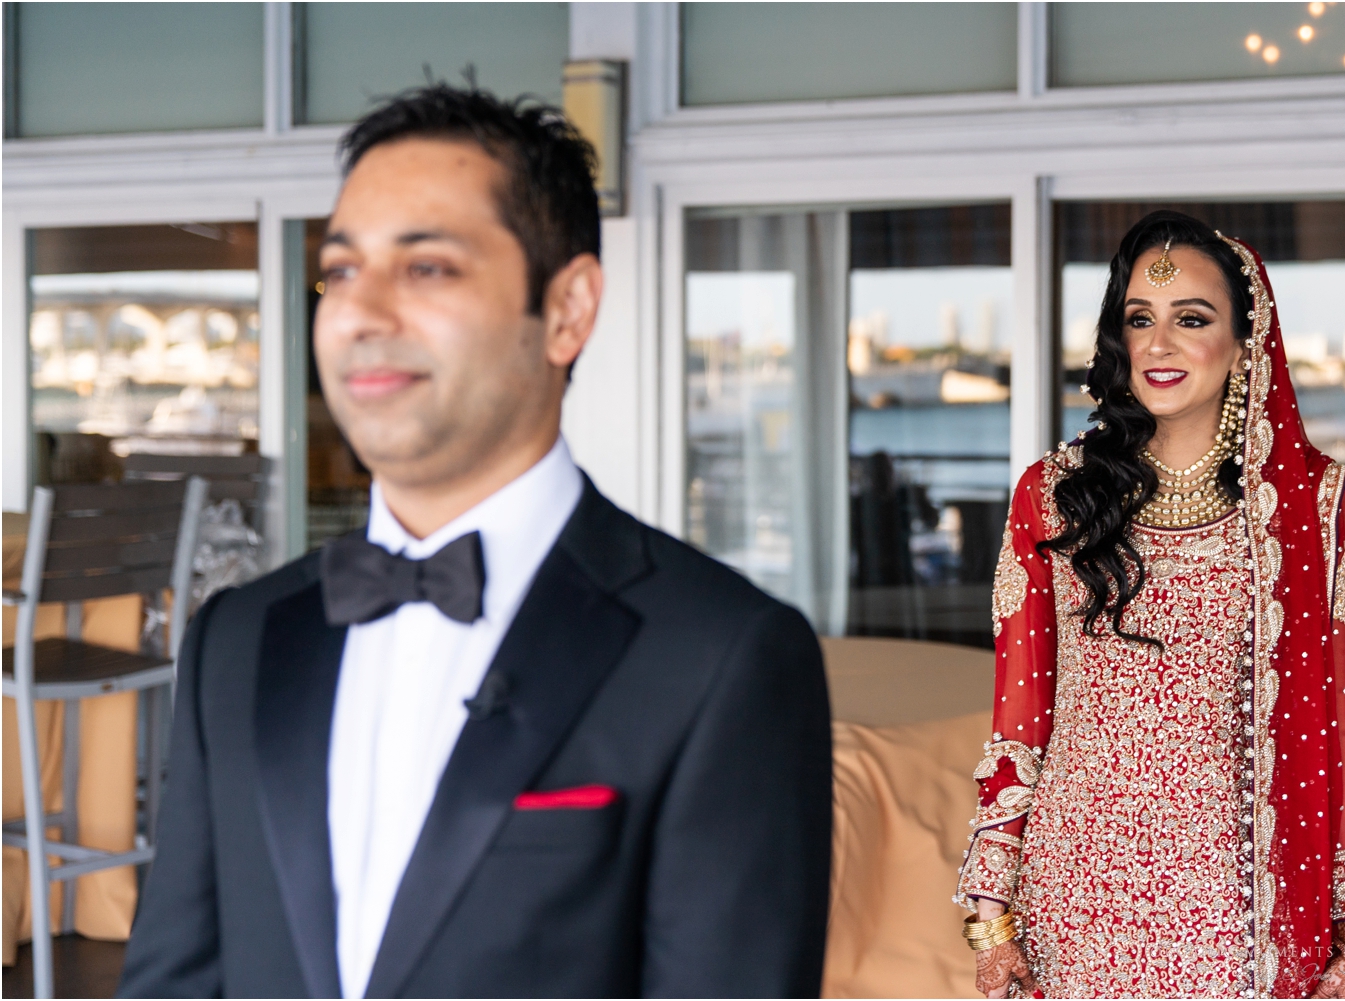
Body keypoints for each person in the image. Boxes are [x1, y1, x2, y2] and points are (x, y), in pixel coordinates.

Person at [118, 85, 832, 999]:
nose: (363, 312)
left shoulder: (721, 655)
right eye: (341, 271)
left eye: (427, 268)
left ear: (567, 309)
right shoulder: (238, 638)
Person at [952, 211, 1345, 998]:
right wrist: (990, 911)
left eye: (1192, 318)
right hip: (1073, 897)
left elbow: (1338, 722)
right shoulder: (1055, 496)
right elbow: (1019, 719)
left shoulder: (1307, 507)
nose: (1158, 343)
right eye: (1140, 318)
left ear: (1247, 341)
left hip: (1236, 904)